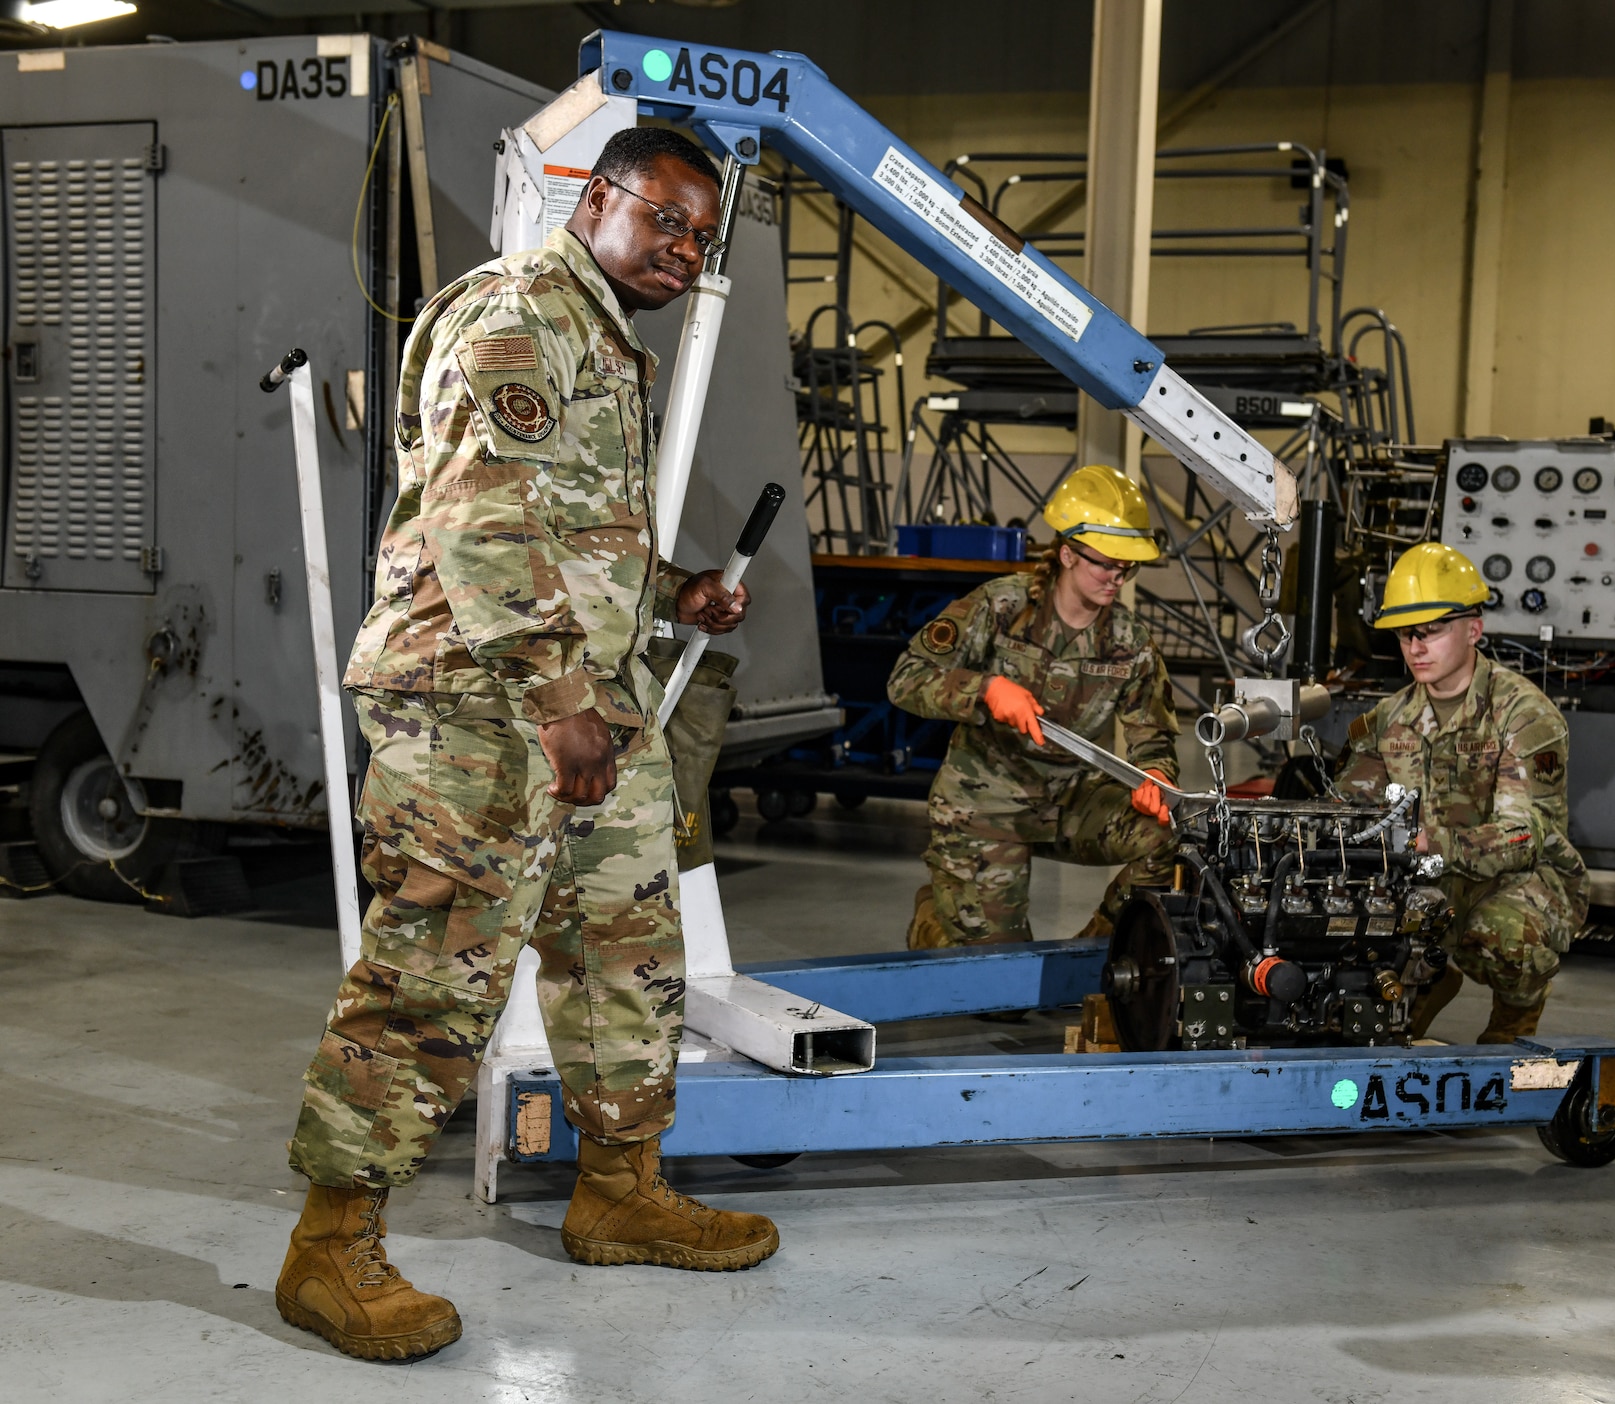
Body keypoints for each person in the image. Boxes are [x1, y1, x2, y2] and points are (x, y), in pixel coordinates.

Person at [275, 127, 778, 1364]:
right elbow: (483, 517)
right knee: (433, 967)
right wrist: (560, 696)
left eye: (700, 238)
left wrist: (676, 593)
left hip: (571, 691)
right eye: (664, 219)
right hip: (472, 707)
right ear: (597, 196)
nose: (682, 250)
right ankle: (329, 1248)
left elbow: (575, 532)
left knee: (627, 940)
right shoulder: (513, 316)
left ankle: (619, 1188)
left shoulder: (599, 335)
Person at [888, 465, 1181, 948]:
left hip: (1070, 797)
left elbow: (1154, 735)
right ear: (1066, 553)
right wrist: (983, 689)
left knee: (1168, 837)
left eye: (1127, 568)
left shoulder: (1130, 641)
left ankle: (1102, 952)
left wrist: (1157, 776)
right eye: (1105, 564)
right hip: (985, 803)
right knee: (1001, 993)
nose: (1116, 578)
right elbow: (905, 679)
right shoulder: (999, 607)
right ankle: (933, 922)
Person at [1329, 543, 1589, 1043]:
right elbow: (1351, 811)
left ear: (1473, 629)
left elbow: (1525, 836)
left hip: (1520, 878)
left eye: (1430, 632)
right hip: (1425, 878)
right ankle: (1425, 979)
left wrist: (1435, 842)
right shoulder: (1387, 720)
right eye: (1405, 635)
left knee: (1501, 936)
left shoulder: (1524, 714)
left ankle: (1516, 1014)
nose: (1416, 648)